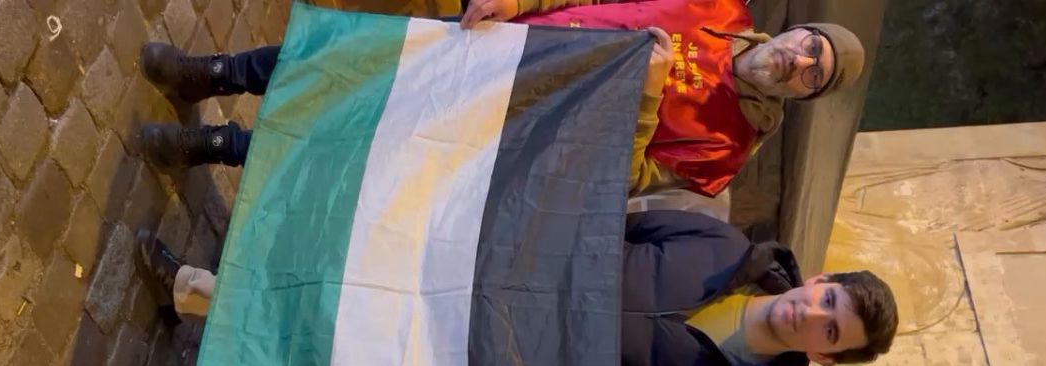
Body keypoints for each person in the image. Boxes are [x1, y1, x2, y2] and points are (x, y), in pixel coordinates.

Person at [108, 211, 897, 366]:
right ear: (820, 278)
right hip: (487, 281)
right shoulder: (720, 243)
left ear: (827, 356)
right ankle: (195, 289)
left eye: (831, 332)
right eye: (827, 299)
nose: (813, 315)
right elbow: (603, 215)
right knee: (334, 297)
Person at [135, 0, 865, 196]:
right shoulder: (718, 7)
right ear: (797, 29)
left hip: (514, 127)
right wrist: (517, 0)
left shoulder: (724, 153)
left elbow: (622, 181)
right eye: (811, 45)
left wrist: (646, 99)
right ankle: (211, 73)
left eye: (814, 73)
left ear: (805, 95)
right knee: (350, 59)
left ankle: (215, 146)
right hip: (500, 43)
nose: (799, 61)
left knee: (359, 148)